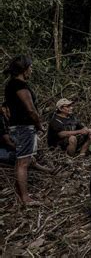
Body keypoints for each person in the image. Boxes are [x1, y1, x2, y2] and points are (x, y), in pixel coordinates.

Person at [4, 55, 43, 204]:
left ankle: (20, 194)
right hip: (24, 127)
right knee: (23, 163)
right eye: (30, 67)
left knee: (20, 161)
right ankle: (25, 198)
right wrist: (39, 125)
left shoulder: (11, 85)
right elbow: (31, 110)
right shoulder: (19, 85)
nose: (32, 70)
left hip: (17, 126)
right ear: (24, 69)